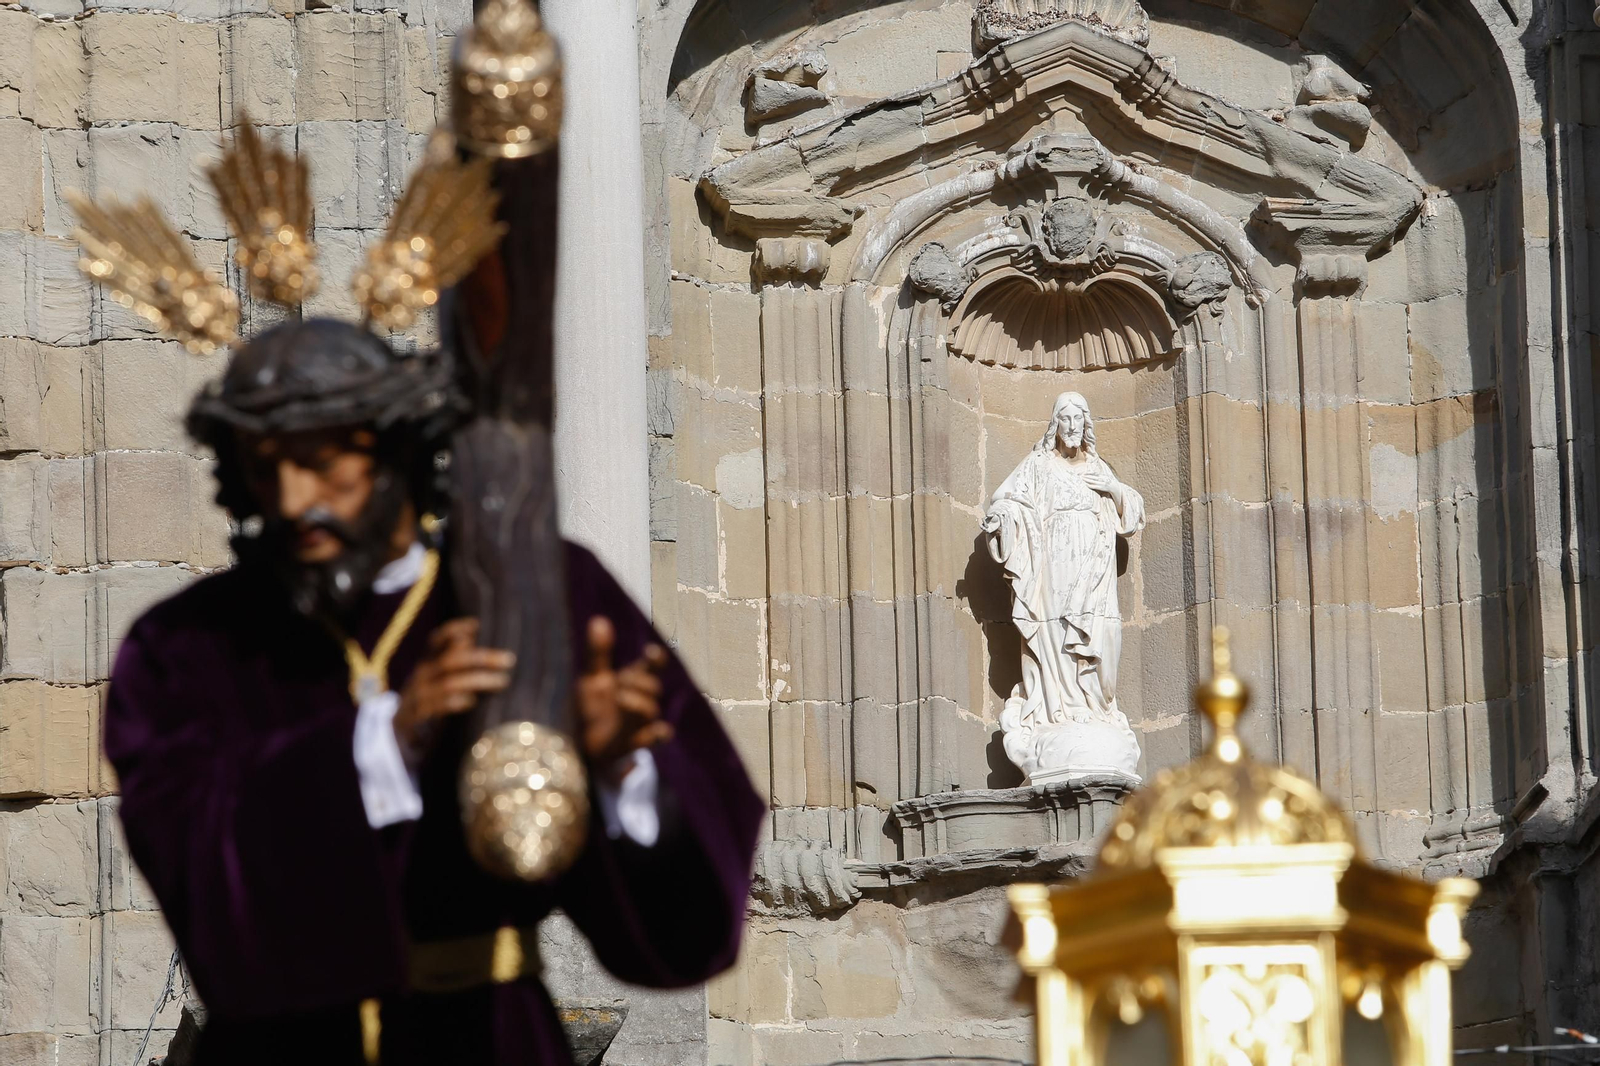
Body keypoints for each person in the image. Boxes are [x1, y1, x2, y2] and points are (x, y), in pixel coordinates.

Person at [103, 314, 764, 1065]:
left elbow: (687, 930)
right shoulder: (187, 643)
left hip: (490, 1040)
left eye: (323, 465)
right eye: (265, 468)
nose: (292, 500)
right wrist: (386, 738)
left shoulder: (546, 591)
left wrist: (618, 773)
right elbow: (190, 856)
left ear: (397, 452)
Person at [983, 391, 1145, 784]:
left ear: (1087, 424)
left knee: (1103, 636)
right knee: (1054, 634)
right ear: (1055, 424)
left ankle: (1096, 708)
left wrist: (1113, 489)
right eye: (1065, 419)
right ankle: (1056, 709)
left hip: (1095, 566)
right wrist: (1003, 520)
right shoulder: (1038, 465)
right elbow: (1006, 500)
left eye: (1078, 419)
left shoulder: (1099, 467)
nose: (1072, 427)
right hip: (1054, 564)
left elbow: (1133, 512)